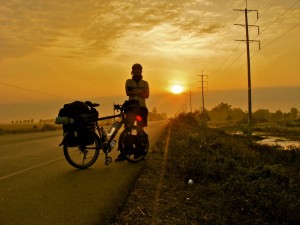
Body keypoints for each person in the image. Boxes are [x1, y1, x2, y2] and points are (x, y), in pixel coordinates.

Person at [115, 63, 150, 162]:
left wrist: (134, 91)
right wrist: (140, 92)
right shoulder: (129, 81)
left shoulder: (145, 83)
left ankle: (139, 152)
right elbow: (128, 93)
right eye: (135, 69)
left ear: (141, 71)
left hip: (142, 108)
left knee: (140, 130)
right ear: (132, 71)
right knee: (128, 129)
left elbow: (146, 95)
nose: (137, 71)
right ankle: (125, 152)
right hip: (131, 109)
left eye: (139, 69)